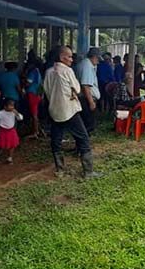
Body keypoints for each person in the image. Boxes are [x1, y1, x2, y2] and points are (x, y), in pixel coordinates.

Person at [42, 46, 102, 178]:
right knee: (83, 137)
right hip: (69, 110)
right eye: (69, 56)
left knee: (56, 139)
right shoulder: (67, 71)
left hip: (54, 110)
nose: (71, 59)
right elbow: (77, 88)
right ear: (62, 58)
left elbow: (46, 91)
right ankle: (88, 171)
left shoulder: (49, 72)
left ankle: (60, 169)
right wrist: (73, 93)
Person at [74, 47, 102, 133]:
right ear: (94, 57)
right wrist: (91, 102)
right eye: (98, 59)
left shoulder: (86, 64)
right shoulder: (87, 66)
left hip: (85, 98)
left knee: (88, 122)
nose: (98, 61)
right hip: (86, 99)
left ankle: (84, 143)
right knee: (88, 123)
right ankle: (84, 144)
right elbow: (85, 85)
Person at [0, 98, 23, 163]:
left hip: (11, 130)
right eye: (10, 105)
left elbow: (20, 118)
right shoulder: (0, 113)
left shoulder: (13, 113)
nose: (12, 107)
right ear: (5, 106)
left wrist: (17, 113)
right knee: (2, 144)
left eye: (13, 106)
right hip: (3, 130)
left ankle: (10, 157)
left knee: (12, 144)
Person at [23, 57, 44, 138]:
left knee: (34, 114)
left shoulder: (32, 72)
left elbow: (28, 83)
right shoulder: (38, 71)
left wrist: (24, 80)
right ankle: (37, 130)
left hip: (32, 94)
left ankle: (35, 132)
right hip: (37, 94)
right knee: (35, 113)